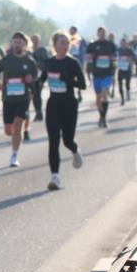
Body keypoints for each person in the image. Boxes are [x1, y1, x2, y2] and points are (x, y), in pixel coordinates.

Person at [44, 30, 86, 190]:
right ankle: (55, 177)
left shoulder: (72, 63)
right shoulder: (49, 63)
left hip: (69, 105)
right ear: (55, 45)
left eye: (67, 43)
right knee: (53, 140)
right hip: (53, 105)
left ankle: (75, 150)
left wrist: (68, 80)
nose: (65, 45)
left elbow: (83, 85)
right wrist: (33, 84)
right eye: (62, 43)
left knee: (67, 140)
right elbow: (41, 79)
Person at [0, 32, 38, 167]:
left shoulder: (30, 61)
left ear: (25, 44)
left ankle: (14, 155)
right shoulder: (6, 60)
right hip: (8, 99)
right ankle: (15, 137)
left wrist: (31, 80)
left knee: (18, 125)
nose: (17, 44)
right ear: (12, 44)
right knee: (8, 130)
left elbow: (36, 78)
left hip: (23, 98)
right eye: (15, 42)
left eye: (20, 42)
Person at [86, 27, 117, 128]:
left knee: (104, 93)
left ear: (106, 33)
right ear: (97, 34)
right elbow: (88, 57)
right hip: (97, 74)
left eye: (103, 32)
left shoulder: (110, 45)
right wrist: (91, 58)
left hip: (107, 73)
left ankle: (104, 118)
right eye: (100, 33)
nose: (102, 34)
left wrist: (112, 59)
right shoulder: (93, 45)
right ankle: (101, 116)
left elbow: (116, 57)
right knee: (98, 99)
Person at [30, 33, 50, 122]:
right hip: (31, 75)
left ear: (39, 40)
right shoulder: (29, 50)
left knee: (37, 93)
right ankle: (38, 112)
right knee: (34, 95)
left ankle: (39, 113)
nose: (35, 41)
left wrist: (40, 66)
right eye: (33, 39)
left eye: (37, 39)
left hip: (41, 74)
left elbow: (47, 61)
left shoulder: (43, 50)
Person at [68, 26, 88, 103]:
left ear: (76, 31)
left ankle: (79, 92)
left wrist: (84, 58)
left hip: (79, 61)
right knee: (70, 77)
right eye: (70, 31)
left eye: (72, 31)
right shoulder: (67, 38)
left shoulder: (81, 39)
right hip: (69, 61)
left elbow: (86, 48)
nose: (71, 32)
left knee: (79, 78)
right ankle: (72, 93)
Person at [117, 38, 135, 105]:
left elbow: (134, 57)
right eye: (122, 43)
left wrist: (130, 59)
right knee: (120, 84)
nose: (123, 44)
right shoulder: (118, 50)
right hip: (120, 69)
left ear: (127, 43)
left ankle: (128, 93)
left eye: (124, 43)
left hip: (128, 69)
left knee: (127, 83)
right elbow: (115, 57)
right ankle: (122, 98)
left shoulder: (129, 50)